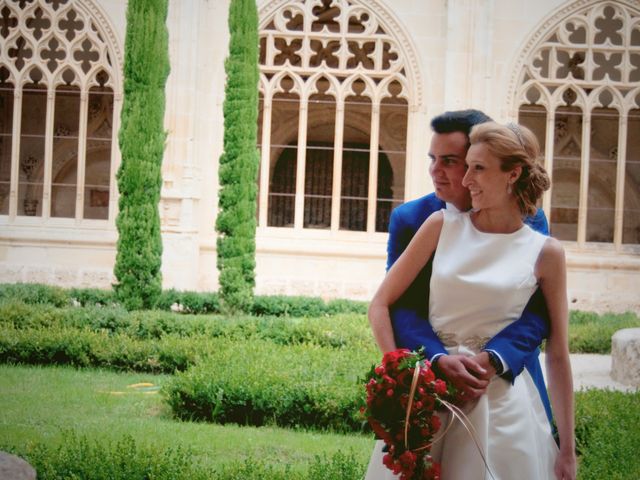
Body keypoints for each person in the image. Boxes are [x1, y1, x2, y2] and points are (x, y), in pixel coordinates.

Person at [367, 122, 576, 479]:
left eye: (478, 168)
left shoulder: (547, 254)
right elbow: (380, 305)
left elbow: (557, 354)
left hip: (503, 412)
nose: (465, 181)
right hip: (431, 400)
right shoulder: (440, 225)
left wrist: (567, 450)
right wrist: (404, 375)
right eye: (468, 167)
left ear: (513, 174)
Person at [389, 110, 550, 409]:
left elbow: (539, 309)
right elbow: (402, 304)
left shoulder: (529, 219)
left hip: (511, 379)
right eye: (432, 159)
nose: (435, 171)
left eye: (450, 161)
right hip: (434, 380)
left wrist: (495, 358)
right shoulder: (411, 220)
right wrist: (437, 359)